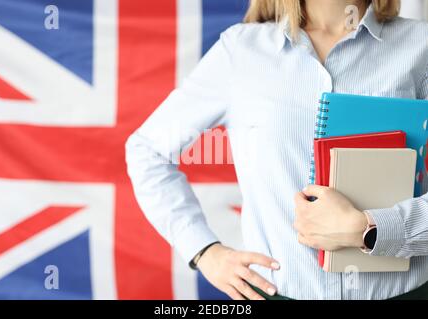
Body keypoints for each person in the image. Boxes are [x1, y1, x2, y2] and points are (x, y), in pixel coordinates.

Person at [126, 0, 428, 300]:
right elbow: (147, 151)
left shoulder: (420, 46)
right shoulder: (241, 52)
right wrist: (204, 251)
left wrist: (370, 229)